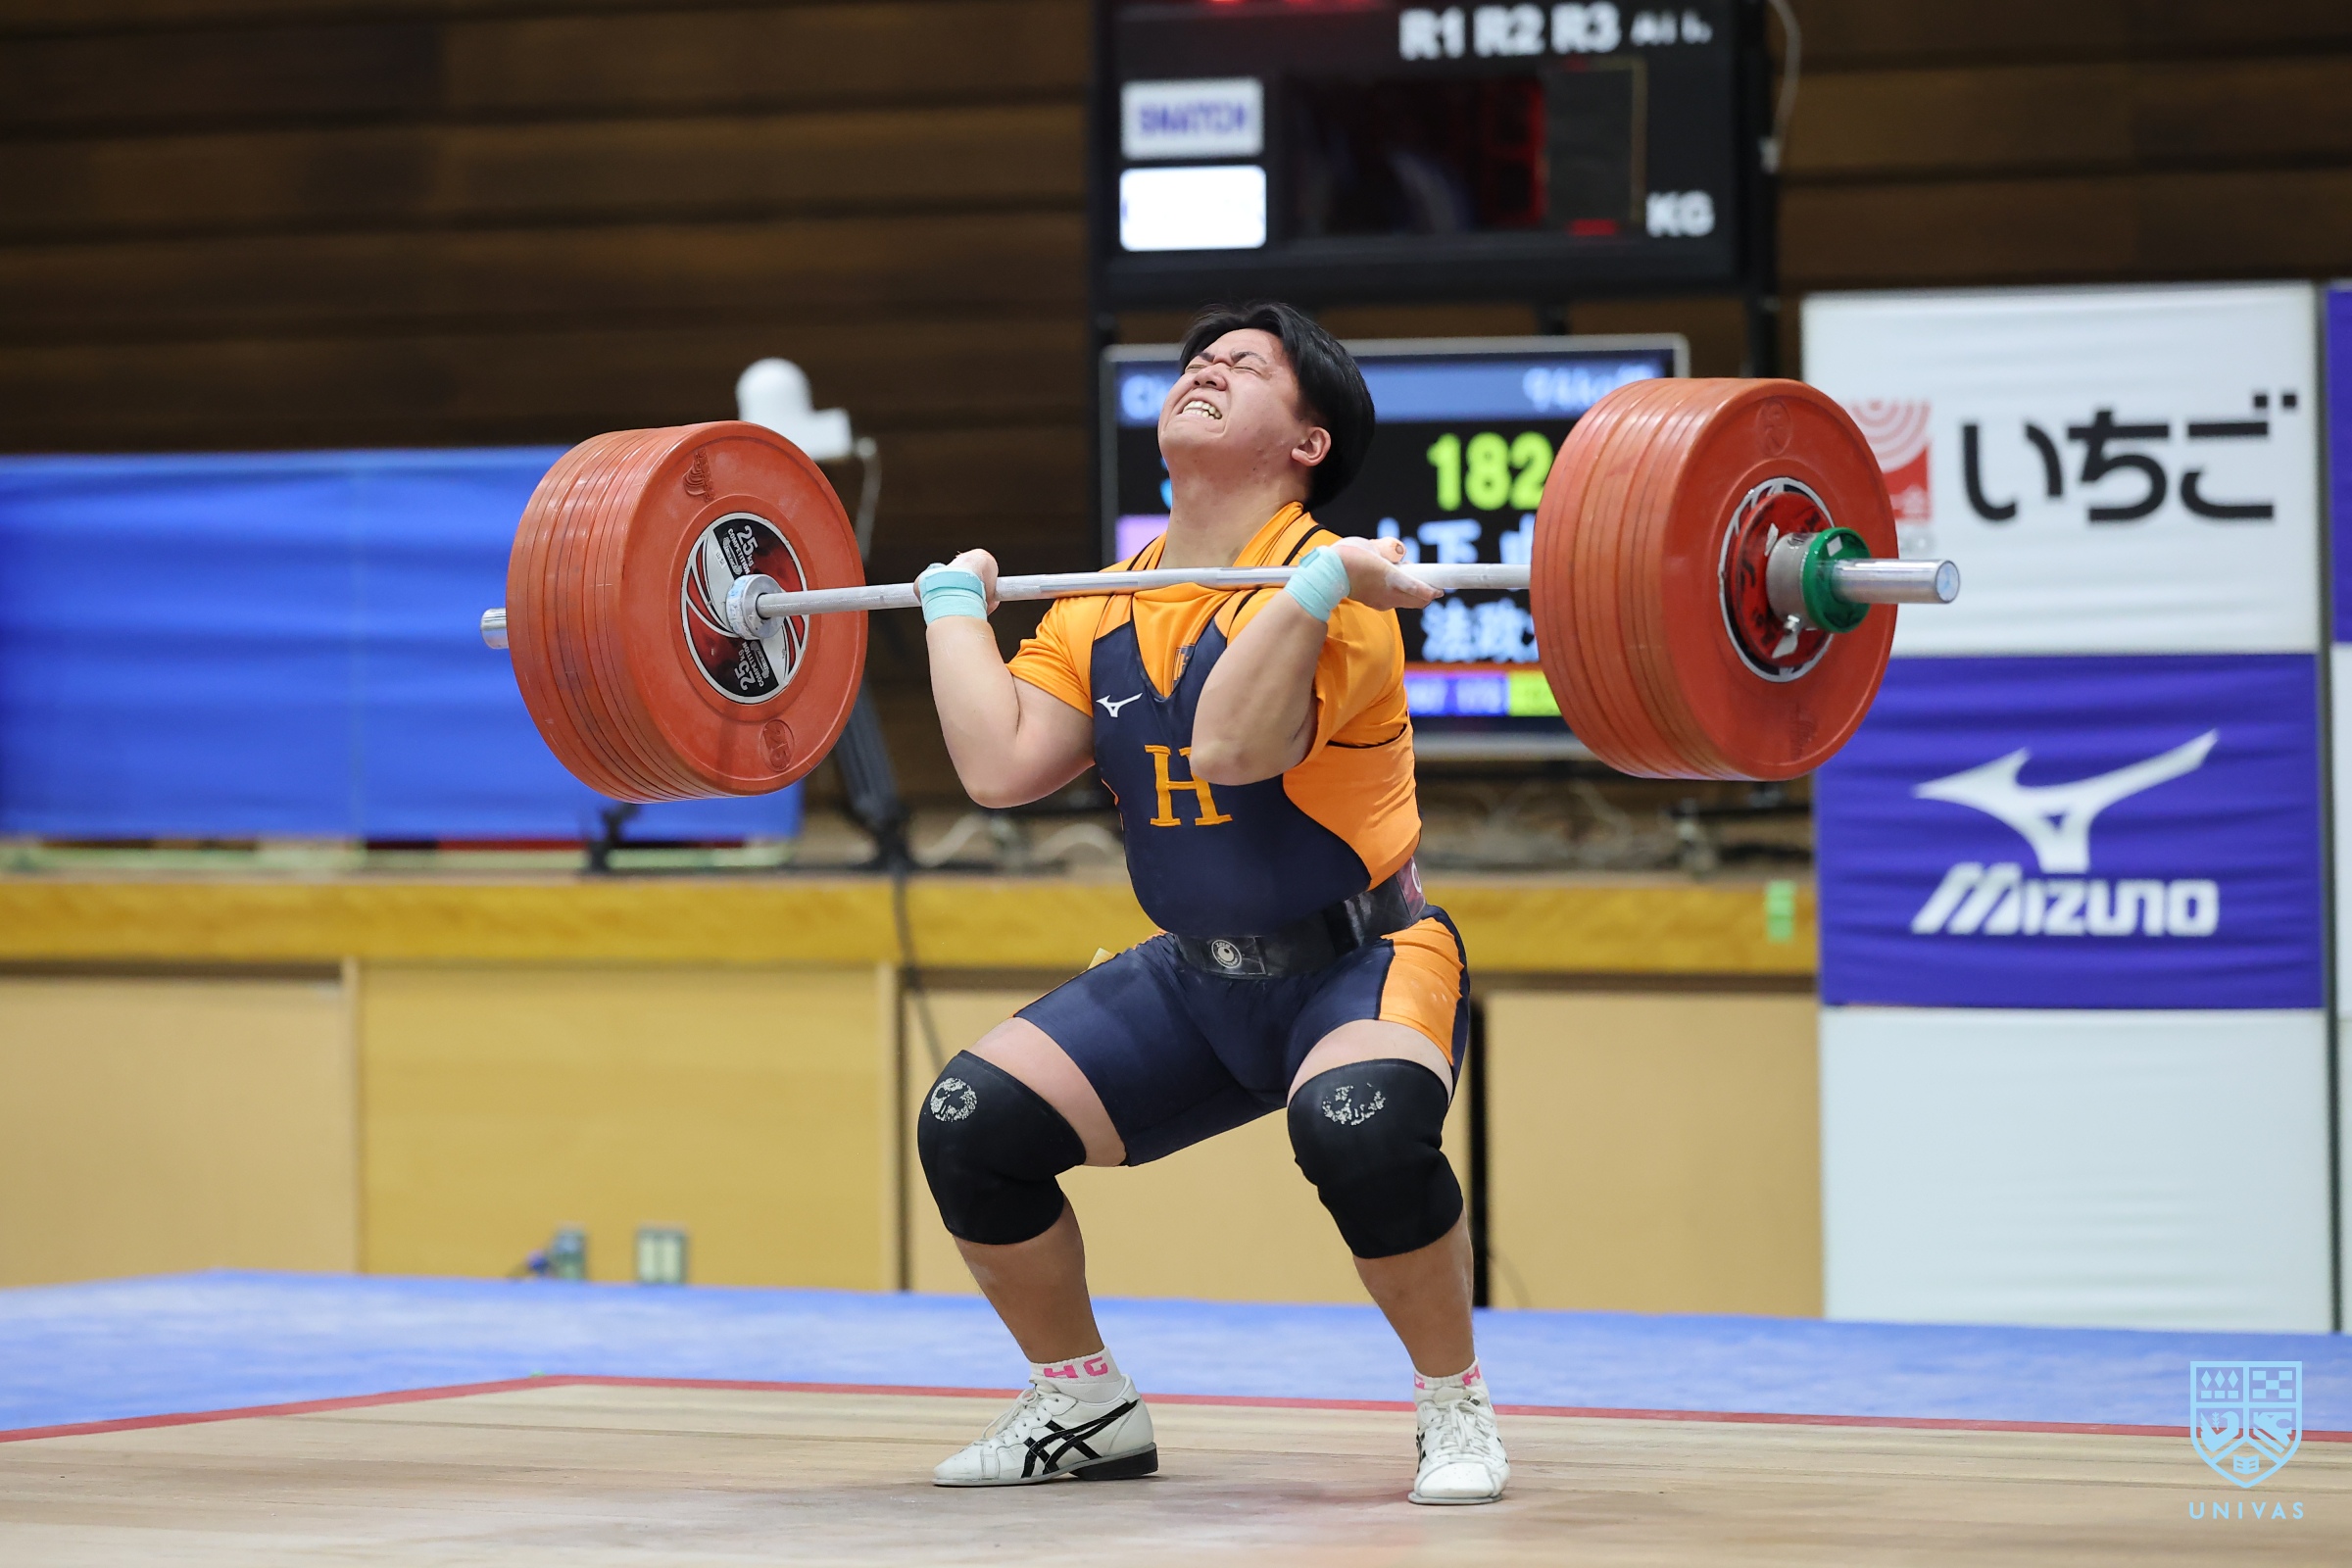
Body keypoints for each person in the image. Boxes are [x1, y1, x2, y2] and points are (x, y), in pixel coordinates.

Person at [911, 302, 1507, 1505]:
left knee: (1358, 1128)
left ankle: (1456, 1405)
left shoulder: (1349, 592)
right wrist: (953, 612)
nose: (1206, 370)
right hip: (1195, 977)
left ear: (1309, 443)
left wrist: (1319, 585)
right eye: (1201, 359)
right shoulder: (1101, 600)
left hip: (1363, 962)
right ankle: (1084, 1404)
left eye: (1246, 365)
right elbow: (1001, 765)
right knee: (970, 1123)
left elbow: (1231, 749)